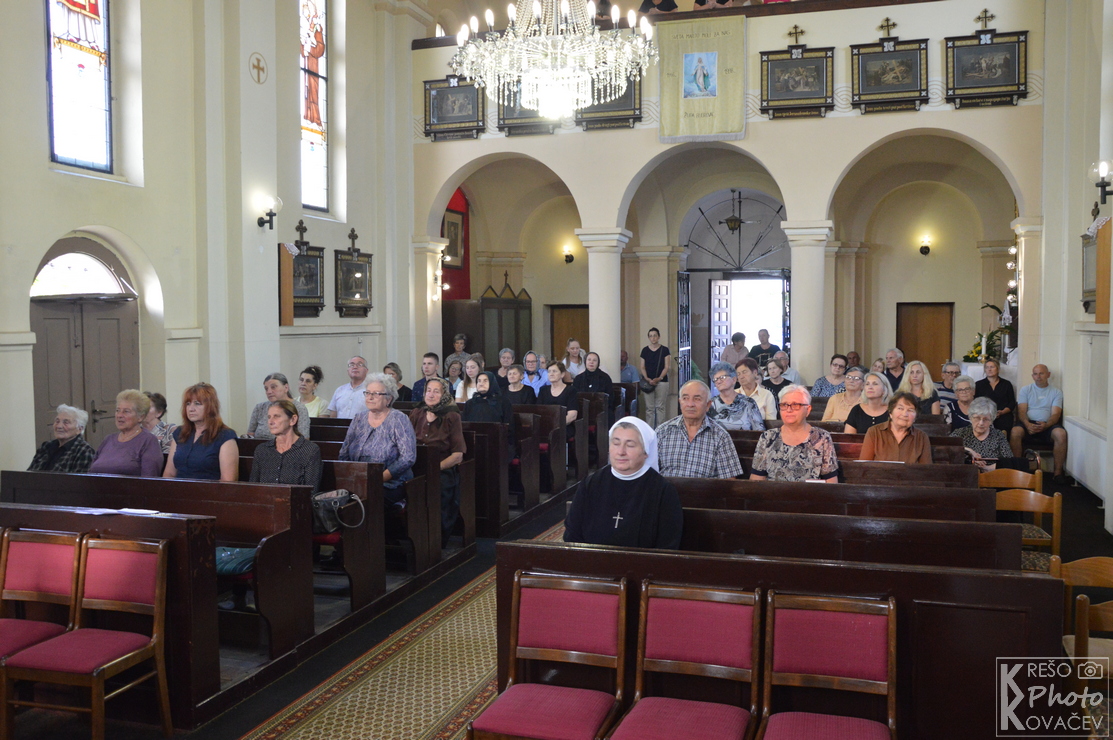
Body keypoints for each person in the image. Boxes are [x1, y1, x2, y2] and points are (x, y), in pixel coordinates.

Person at [563, 416, 683, 549]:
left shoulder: (663, 491)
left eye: (630, 445)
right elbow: (572, 534)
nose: (621, 452)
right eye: (616, 443)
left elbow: (667, 545)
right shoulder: (591, 484)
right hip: (591, 560)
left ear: (646, 452)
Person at [340, 374, 416, 505]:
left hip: (390, 483)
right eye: (367, 393)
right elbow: (344, 453)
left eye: (376, 394)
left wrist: (380, 478)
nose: (370, 397)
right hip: (358, 481)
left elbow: (408, 457)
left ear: (388, 399)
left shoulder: (399, 419)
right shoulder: (359, 418)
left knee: (367, 499)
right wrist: (350, 478)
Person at [409, 378, 467, 547]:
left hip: (442, 468)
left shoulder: (452, 415)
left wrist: (434, 469)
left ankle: (437, 541)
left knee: (440, 490)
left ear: (444, 395)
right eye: (428, 390)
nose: (431, 394)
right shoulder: (416, 413)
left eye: (436, 391)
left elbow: (457, 455)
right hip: (415, 466)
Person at [750, 385, 839, 483]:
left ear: (808, 410)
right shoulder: (768, 437)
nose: (789, 410)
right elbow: (757, 478)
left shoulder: (822, 437)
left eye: (795, 405)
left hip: (810, 492)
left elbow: (830, 481)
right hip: (774, 492)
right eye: (784, 405)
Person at [656, 380, 744, 479]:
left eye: (697, 399)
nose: (690, 404)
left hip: (706, 489)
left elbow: (729, 481)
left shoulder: (721, 436)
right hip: (666, 489)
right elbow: (649, 472)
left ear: (708, 405)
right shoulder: (662, 431)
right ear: (680, 402)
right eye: (685, 398)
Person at [163, 382, 238, 481]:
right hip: (178, 489)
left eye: (197, 404)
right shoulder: (180, 432)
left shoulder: (225, 436)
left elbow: (228, 481)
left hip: (209, 490)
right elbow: (169, 473)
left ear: (210, 407)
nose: (191, 409)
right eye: (188, 404)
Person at [1010, 364, 1070, 483]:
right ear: (1032, 376)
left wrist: (1046, 425)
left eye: (1041, 373)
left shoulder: (1056, 392)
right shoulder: (1026, 390)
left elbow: (1056, 414)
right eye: (1035, 374)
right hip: (1028, 424)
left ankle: (1058, 473)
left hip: (1048, 424)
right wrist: (1027, 424)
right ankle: (1018, 470)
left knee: (1061, 434)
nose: (1038, 377)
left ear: (1048, 375)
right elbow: (1021, 411)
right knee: (1015, 432)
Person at [250, 399, 323, 491]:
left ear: (292, 420)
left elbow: (311, 490)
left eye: (276, 416)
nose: (270, 422)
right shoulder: (262, 450)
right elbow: (253, 487)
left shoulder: (310, 450)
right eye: (269, 417)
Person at [89, 389, 163, 477]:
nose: (119, 415)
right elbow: (91, 472)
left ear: (140, 417)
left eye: (126, 411)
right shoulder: (108, 439)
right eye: (118, 410)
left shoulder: (148, 441)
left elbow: (149, 479)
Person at [859, 392, 932, 464]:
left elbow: (926, 469)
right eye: (900, 408)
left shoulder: (921, 437)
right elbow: (864, 465)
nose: (905, 414)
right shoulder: (874, 432)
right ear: (891, 413)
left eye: (910, 410)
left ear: (915, 417)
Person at [952, 397, 1018, 473]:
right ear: (970, 418)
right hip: (964, 474)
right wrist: (969, 451)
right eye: (977, 418)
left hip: (991, 475)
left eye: (986, 419)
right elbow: (945, 449)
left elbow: (1009, 462)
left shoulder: (998, 436)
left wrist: (987, 468)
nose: (981, 423)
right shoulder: (960, 433)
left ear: (991, 420)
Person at [29, 404, 95, 473]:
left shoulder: (84, 452)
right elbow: (30, 474)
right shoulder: (46, 446)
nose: (59, 426)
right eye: (57, 421)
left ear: (79, 429)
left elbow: (79, 479)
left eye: (66, 422)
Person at [246, 373, 310, 439]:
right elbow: (250, 436)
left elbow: (304, 439)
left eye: (273, 387)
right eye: (266, 389)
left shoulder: (299, 408)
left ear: (286, 388)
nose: (269, 392)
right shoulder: (260, 408)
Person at [463, 371, 515, 450]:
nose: (481, 384)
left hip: (497, 443)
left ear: (492, 383)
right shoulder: (470, 403)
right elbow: (464, 424)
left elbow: (509, 426)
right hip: (473, 443)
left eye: (485, 381)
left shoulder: (503, 402)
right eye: (479, 381)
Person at [708, 362, 763, 431]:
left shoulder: (748, 402)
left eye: (722, 377)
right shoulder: (710, 404)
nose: (718, 382)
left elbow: (759, 430)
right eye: (715, 379)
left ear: (734, 380)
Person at [639, 328, 672, 428]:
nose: (653, 338)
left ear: (658, 337)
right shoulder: (645, 350)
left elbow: (667, 367)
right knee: (649, 408)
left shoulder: (665, 350)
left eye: (655, 335)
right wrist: (647, 378)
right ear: (648, 338)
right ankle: (650, 430)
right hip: (647, 382)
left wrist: (660, 378)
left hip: (662, 382)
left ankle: (660, 429)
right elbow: (642, 366)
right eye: (651, 336)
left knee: (660, 407)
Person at [975, 357, 1016, 431]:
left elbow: (1012, 402)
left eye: (992, 367)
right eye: (987, 367)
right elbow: (975, 402)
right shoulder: (978, 384)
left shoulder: (1006, 384)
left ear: (998, 369)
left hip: (1003, 415)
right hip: (984, 416)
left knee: (1003, 429)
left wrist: (1002, 412)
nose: (989, 369)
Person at [537, 361, 578, 429]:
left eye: (554, 371)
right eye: (549, 371)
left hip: (564, 426)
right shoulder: (543, 390)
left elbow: (572, 415)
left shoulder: (571, 390)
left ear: (562, 374)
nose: (551, 374)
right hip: (545, 426)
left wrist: (557, 425)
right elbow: (539, 411)